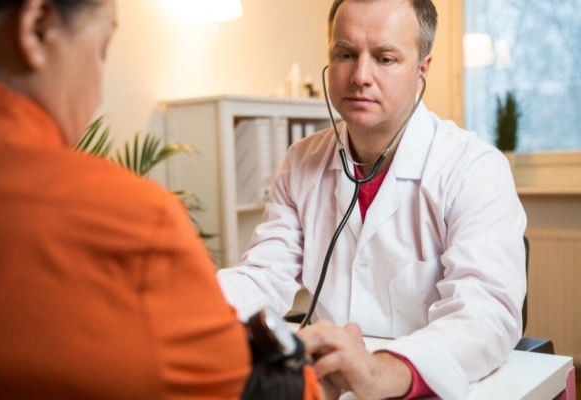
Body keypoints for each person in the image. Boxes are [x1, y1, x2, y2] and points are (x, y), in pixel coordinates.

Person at [0, 1, 321, 399]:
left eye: (385, 58)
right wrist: (310, 376)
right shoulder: (132, 218)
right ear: (37, 27)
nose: (96, 97)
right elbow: (253, 385)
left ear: (417, 69)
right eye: (102, 48)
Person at [217, 0, 527, 399]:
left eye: (385, 58)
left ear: (422, 70)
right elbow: (263, 274)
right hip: (329, 383)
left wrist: (382, 370)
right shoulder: (301, 162)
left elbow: (486, 314)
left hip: (423, 382)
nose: (360, 76)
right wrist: (193, 307)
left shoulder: (475, 169)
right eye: (345, 54)